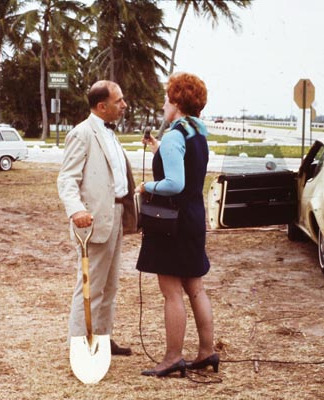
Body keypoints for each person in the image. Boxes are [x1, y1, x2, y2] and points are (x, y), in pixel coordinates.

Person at [136, 72, 217, 377]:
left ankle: (173, 357)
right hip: (194, 216)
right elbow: (185, 166)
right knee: (195, 287)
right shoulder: (196, 132)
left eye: (167, 98)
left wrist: (146, 186)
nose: (164, 104)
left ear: (177, 101)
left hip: (174, 222)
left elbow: (174, 183)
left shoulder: (174, 135)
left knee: (171, 292)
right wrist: (159, 148)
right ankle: (207, 351)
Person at [57, 80, 138, 356]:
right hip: (92, 221)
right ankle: (80, 345)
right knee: (90, 286)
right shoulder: (82, 134)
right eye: (119, 101)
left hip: (116, 216)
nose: (124, 105)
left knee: (110, 284)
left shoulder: (111, 134)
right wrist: (76, 210)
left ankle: (102, 338)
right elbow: (67, 178)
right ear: (102, 106)